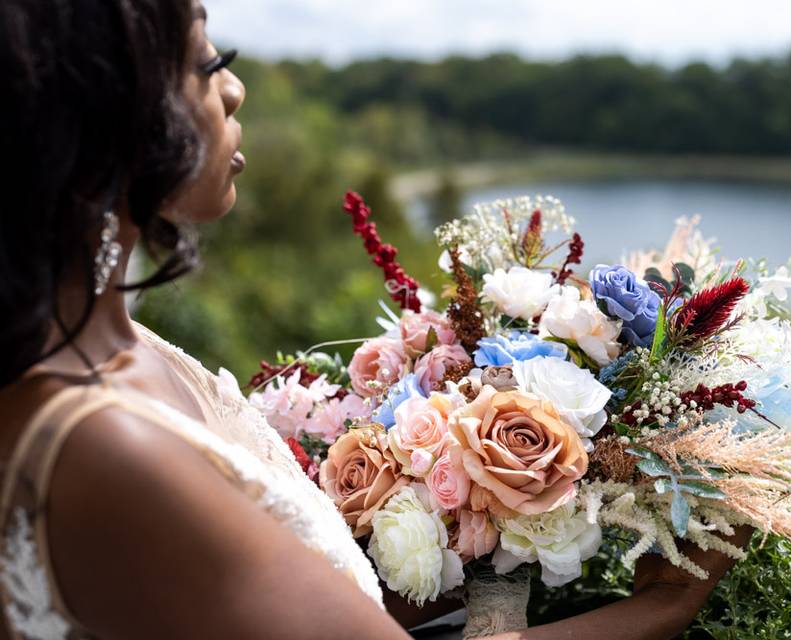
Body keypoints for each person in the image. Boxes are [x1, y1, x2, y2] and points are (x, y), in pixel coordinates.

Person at [0, 1, 750, 638]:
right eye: (205, 60)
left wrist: (479, 554)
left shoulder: (122, 352)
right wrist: (660, 605)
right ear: (99, 108)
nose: (234, 91)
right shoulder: (101, 443)